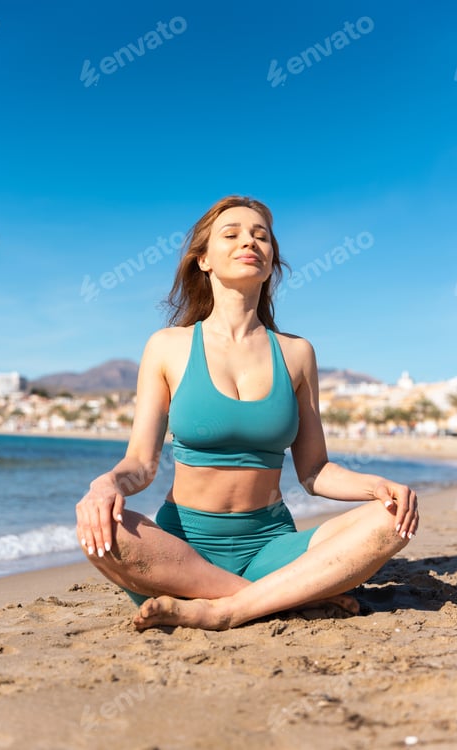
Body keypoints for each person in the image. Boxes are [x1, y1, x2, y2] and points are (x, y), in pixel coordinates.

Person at [75, 195, 419, 632]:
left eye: (261, 236)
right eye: (232, 234)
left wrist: (377, 486)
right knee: (102, 528)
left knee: (394, 519)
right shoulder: (167, 346)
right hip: (182, 554)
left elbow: (314, 471)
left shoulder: (296, 353)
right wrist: (105, 485)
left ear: (272, 260)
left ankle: (227, 608)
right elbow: (140, 465)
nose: (249, 242)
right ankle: (286, 595)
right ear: (203, 260)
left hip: (270, 546)